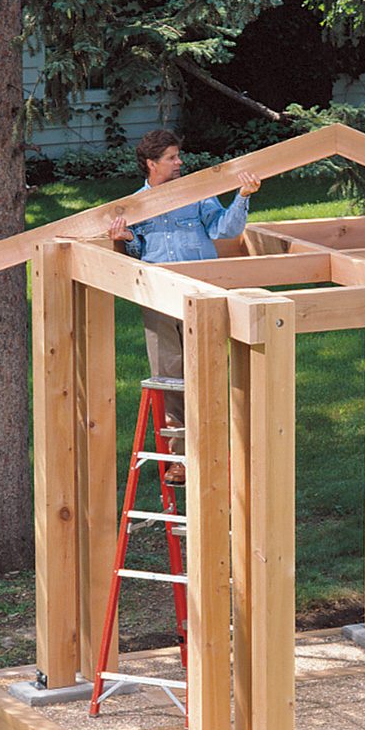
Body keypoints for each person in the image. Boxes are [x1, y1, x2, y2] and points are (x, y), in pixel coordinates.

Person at [108, 129, 261, 484]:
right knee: (170, 377)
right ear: (151, 164)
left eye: (178, 156)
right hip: (159, 298)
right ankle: (181, 459)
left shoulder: (197, 194)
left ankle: (215, 454)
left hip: (201, 293)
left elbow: (224, 230)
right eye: (172, 158)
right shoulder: (135, 206)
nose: (180, 162)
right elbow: (138, 251)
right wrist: (127, 239)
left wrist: (242, 196)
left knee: (208, 369)